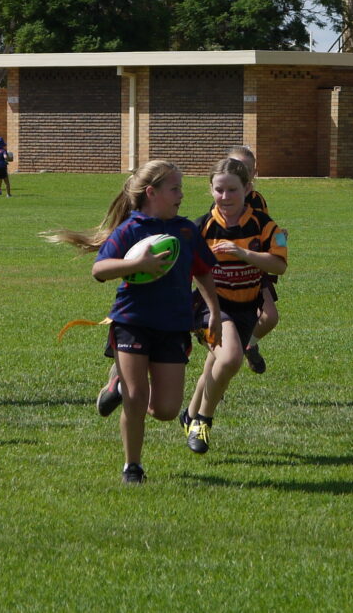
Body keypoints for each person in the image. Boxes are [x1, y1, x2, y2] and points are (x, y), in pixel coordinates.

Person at [46, 160, 221, 483]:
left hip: (173, 325)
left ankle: (117, 383)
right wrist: (136, 264)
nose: (181, 194)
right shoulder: (131, 229)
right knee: (136, 398)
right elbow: (99, 271)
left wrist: (215, 315)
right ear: (152, 192)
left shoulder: (186, 230)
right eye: (175, 189)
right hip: (132, 320)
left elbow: (204, 272)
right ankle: (133, 467)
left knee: (167, 409)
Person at [181, 158, 288, 455]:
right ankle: (202, 421)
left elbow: (279, 266)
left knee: (219, 364)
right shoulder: (200, 227)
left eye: (232, 190)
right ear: (210, 190)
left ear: (248, 189)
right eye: (219, 190)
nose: (225, 197)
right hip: (210, 306)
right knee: (229, 359)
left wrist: (243, 254)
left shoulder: (268, 227)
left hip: (245, 307)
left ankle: (190, 415)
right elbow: (183, 267)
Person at [224, 145, 282, 375]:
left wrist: (278, 237)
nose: (242, 173)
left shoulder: (258, 199)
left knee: (270, 317)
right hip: (230, 272)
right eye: (236, 168)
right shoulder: (224, 200)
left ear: (254, 173)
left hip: (256, 266)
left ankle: (249, 344)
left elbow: (266, 227)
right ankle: (217, 381)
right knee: (226, 334)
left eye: (247, 169)